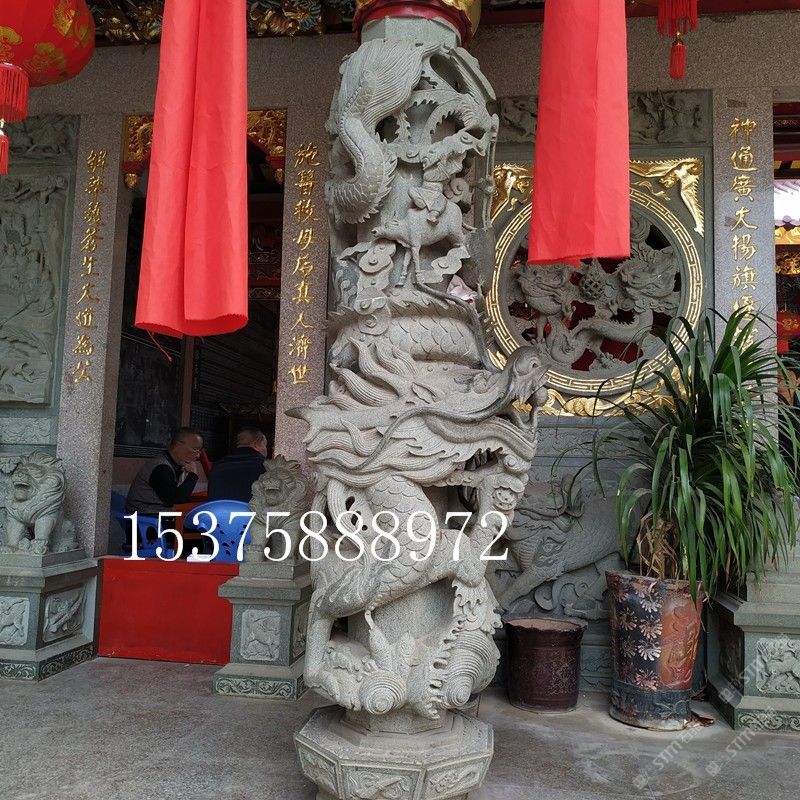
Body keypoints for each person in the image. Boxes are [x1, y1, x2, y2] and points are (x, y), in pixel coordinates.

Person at [125, 427, 203, 515]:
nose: (198, 455)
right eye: (195, 449)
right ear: (178, 446)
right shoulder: (162, 467)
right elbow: (178, 499)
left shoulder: (170, 461)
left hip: (153, 511)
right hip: (144, 516)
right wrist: (193, 474)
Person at [207, 427, 268, 502]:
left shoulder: (217, 466)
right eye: (265, 445)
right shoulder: (266, 467)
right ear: (256, 444)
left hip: (221, 509)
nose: (266, 450)